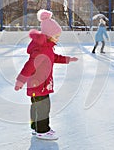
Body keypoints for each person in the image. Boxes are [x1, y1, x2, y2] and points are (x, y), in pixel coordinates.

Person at [14, 9, 78, 140]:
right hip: (39, 85)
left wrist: (68, 59)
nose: (58, 39)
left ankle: (36, 128)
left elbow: (54, 57)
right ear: (49, 35)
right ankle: (42, 131)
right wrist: (20, 81)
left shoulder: (47, 48)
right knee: (43, 108)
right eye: (57, 36)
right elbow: (29, 66)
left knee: (36, 107)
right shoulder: (41, 50)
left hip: (41, 85)